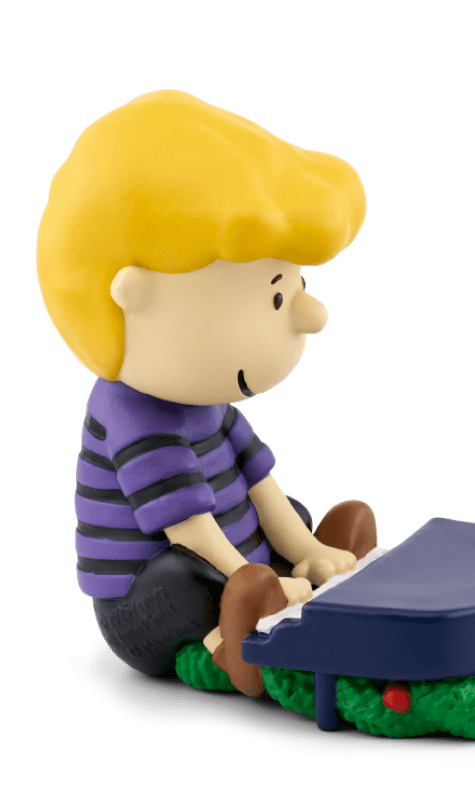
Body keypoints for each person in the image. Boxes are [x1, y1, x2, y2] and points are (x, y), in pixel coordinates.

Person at [37, 90, 375, 697]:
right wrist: (250, 576)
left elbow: (257, 481)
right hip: (147, 610)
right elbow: (187, 527)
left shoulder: (205, 403)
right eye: (274, 295)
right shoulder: (135, 418)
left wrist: (304, 549)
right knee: (185, 574)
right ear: (134, 296)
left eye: (292, 285)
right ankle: (235, 643)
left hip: (239, 566)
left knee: (284, 511)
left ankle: (294, 575)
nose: (312, 315)